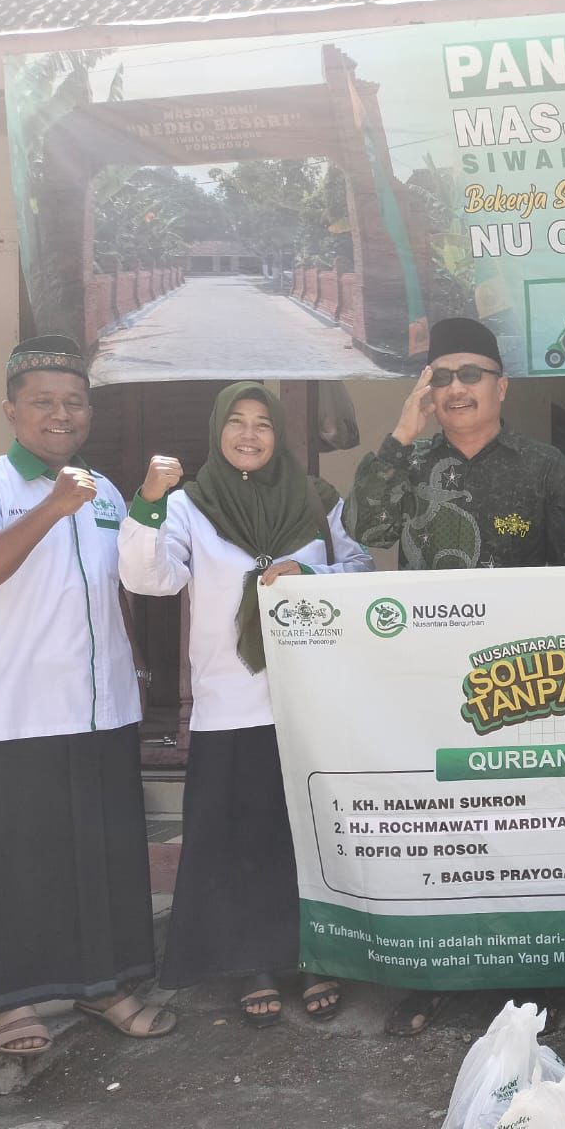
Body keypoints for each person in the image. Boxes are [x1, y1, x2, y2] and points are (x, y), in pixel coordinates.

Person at [0, 335, 175, 1057]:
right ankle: (8, 1005)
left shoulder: (102, 490)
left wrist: (132, 663)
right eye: (43, 402)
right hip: (24, 711)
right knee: (22, 861)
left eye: (74, 403)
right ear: (12, 411)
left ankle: (104, 987)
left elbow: (109, 589)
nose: (60, 415)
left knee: (104, 856)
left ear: (89, 413)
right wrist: (50, 508)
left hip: (104, 708)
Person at [344, 316, 565, 1035]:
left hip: (524, 685)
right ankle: (435, 975)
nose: (454, 388)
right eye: (439, 377)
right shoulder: (408, 464)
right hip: (430, 682)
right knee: (449, 833)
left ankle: (540, 976)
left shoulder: (544, 466)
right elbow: (366, 531)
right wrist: (398, 435)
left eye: (469, 374)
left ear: (501, 386)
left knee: (533, 826)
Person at [119, 381, 374, 1027]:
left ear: (280, 433)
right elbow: (148, 578)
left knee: (308, 838)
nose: (251, 434)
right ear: (217, 431)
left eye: (264, 423)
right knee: (243, 842)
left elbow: (363, 572)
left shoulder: (317, 502)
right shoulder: (189, 508)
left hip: (308, 702)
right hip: (229, 701)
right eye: (237, 422)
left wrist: (308, 576)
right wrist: (148, 501)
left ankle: (318, 957)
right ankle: (252, 962)